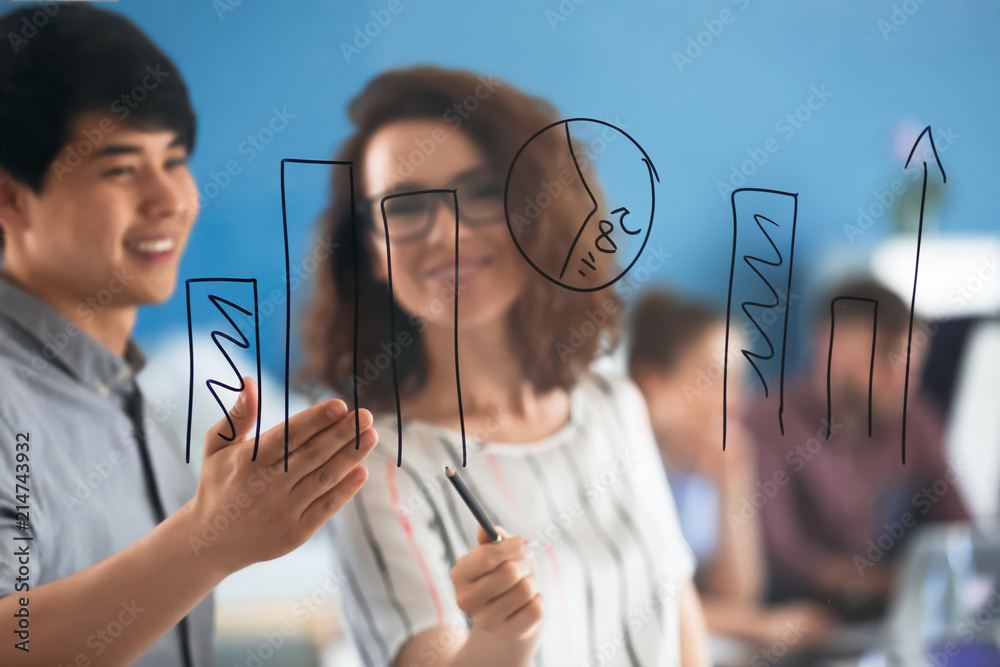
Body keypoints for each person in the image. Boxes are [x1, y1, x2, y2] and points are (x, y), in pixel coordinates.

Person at [0, 6, 376, 665]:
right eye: (120, 169)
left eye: (174, 160)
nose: (169, 199)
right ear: (10, 199)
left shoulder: (123, 390)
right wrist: (207, 541)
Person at [299, 66, 710, 666]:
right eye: (406, 207)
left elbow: (679, 615)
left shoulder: (613, 405)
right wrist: (499, 642)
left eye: (483, 193)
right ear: (373, 251)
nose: (449, 232)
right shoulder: (374, 467)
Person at [745, 277, 970, 621]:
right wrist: (905, 580)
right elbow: (784, 561)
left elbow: (961, 529)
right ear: (829, 344)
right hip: (799, 625)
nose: (902, 381)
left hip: (895, 618)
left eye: (910, 366)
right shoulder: (767, 424)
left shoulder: (915, 419)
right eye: (885, 360)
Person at [628, 290, 834, 652]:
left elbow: (738, 597)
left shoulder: (700, 472)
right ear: (651, 386)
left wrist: (733, 483)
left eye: (739, 381)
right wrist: (760, 626)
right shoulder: (621, 473)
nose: (736, 399)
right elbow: (636, 607)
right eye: (715, 379)